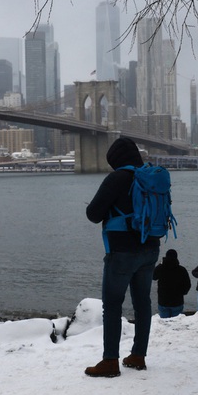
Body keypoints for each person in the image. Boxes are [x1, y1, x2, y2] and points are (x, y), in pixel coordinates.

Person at [85, 137, 161, 377]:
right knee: (143, 303)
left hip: (122, 253)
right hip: (150, 249)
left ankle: (110, 361)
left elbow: (93, 214)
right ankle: (138, 356)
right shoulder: (150, 177)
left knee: (112, 306)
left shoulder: (117, 178)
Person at [153, 249, 191, 318]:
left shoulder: (161, 268)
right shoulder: (182, 270)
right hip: (177, 301)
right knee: (176, 321)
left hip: (163, 301)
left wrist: (160, 264)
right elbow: (187, 284)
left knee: (164, 321)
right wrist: (183, 293)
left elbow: (153, 276)